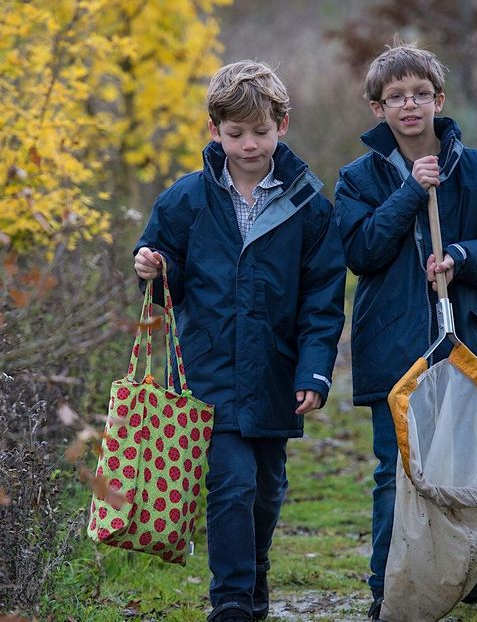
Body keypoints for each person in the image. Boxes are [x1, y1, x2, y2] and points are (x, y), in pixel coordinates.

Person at [133, 60, 346, 622]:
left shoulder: (308, 207)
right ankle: (230, 599)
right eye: (235, 134)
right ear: (213, 130)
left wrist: (315, 372)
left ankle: (253, 579)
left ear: (283, 125)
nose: (249, 144)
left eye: (260, 132)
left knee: (267, 488)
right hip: (207, 368)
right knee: (230, 483)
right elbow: (164, 280)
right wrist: (151, 267)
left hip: (276, 371)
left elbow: (322, 301)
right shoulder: (186, 200)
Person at [333, 43, 477, 620]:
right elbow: (362, 251)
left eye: (420, 93)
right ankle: (385, 593)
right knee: (394, 472)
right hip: (394, 350)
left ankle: (463, 561)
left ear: (439, 100)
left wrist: (464, 257)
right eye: (395, 97)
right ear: (378, 109)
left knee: (461, 468)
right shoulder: (358, 178)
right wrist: (409, 191)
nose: (409, 105)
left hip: (468, 346)